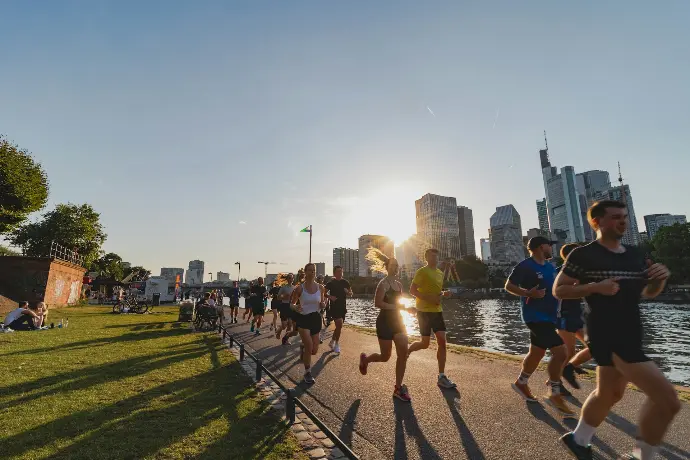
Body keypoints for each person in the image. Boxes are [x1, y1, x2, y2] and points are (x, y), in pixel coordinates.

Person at [555, 201, 680, 460]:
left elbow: (647, 294)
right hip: (607, 334)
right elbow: (560, 289)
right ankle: (643, 455)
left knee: (609, 393)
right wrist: (594, 288)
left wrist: (659, 280)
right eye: (614, 217)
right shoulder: (583, 255)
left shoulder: (635, 255)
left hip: (631, 331)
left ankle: (579, 440)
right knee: (668, 400)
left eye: (624, 217)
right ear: (597, 222)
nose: (622, 221)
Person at [505, 236, 575, 416]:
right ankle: (555, 393)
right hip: (535, 317)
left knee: (537, 352)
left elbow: (557, 287)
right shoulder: (525, 266)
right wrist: (527, 293)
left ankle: (521, 382)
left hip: (550, 317)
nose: (551, 248)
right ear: (538, 247)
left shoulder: (551, 267)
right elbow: (509, 286)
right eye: (548, 245)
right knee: (561, 353)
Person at [358, 249, 412, 401]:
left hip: (398, 321)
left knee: (403, 352)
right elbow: (377, 303)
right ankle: (366, 360)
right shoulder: (383, 284)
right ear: (387, 267)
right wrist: (396, 307)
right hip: (384, 323)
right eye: (393, 265)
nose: (395, 268)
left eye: (397, 265)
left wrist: (408, 309)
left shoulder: (399, 285)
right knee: (385, 356)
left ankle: (398, 388)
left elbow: (399, 303)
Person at [407, 248, 457, 389]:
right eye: (431, 256)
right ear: (426, 258)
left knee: (442, 341)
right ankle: (408, 350)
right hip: (423, 312)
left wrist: (443, 294)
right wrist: (429, 298)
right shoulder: (422, 272)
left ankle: (441, 376)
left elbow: (437, 292)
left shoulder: (440, 273)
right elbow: (412, 291)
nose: (434, 258)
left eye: (436, 256)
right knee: (425, 344)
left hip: (437, 311)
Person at [557, 243, 592, 391]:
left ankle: (572, 366)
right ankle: (554, 381)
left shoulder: (581, 272)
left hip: (578, 315)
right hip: (563, 316)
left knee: (595, 346)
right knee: (569, 352)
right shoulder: (560, 273)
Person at [290, 263, 325, 384]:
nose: (312, 272)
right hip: (303, 319)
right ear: (305, 272)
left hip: (316, 319)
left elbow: (322, 301)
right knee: (310, 346)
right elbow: (292, 304)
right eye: (310, 270)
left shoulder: (320, 287)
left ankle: (303, 348)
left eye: (314, 270)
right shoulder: (300, 288)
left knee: (314, 350)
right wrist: (295, 308)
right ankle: (307, 372)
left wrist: (323, 305)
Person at [325, 265, 352, 354]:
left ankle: (332, 342)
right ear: (334, 273)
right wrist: (330, 296)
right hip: (334, 307)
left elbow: (351, 293)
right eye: (338, 271)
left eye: (341, 271)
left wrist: (347, 292)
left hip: (342, 307)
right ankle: (336, 344)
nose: (340, 273)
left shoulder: (345, 282)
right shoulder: (331, 283)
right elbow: (323, 293)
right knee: (339, 325)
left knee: (338, 327)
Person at [276, 273, 296, 344]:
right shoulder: (283, 287)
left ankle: (286, 338)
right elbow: (278, 297)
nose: (291, 279)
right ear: (287, 279)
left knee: (290, 324)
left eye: (292, 278)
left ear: (293, 279)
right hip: (284, 306)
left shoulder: (295, 288)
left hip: (291, 306)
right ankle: (278, 331)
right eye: (289, 278)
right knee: (284, 325)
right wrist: (284, 296)